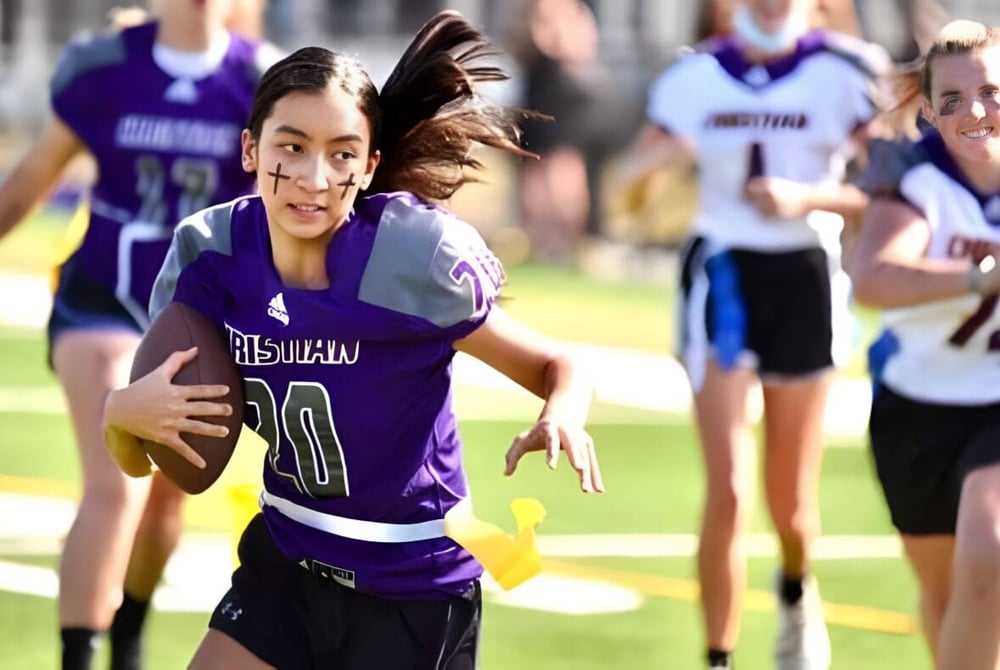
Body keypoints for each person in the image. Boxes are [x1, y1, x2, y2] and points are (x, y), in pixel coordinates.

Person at [101, 10, 604, 669]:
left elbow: (557, 364)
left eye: (340, 154)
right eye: (291, 147)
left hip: (409, 587)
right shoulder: (214, 254)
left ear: (369, 167)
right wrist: (119, 414)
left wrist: (561, 413)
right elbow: (163, 460)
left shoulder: (406, 259)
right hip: (286, 561)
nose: (313, 178)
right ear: (250, 149)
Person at [0, 2, 274, 668]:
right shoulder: (104, 67)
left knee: (169, 494)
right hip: (102, 297)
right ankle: (79, 654)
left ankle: (129, 634)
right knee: (116, 481)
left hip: (196, 316)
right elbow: (31, 180)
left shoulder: (263, 81)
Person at [619, 1, 888, 668]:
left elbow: (892, 192)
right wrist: (651, 168)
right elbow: (622, 194)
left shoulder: (848, 72)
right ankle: (719, 655)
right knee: (730, 486)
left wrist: (808, 198)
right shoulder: (693, 78)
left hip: (804, 275)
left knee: (790, 504)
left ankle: (798, 589)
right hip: (721, 273)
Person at [849, 20, 1000, 670]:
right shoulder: (916, 181)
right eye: (953, 99)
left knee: (989, 552)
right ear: (930, 110)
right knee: (944, 594)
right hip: (917, 413)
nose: (975, 111)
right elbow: (874, 279)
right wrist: (976, 276)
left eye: (992, 91)